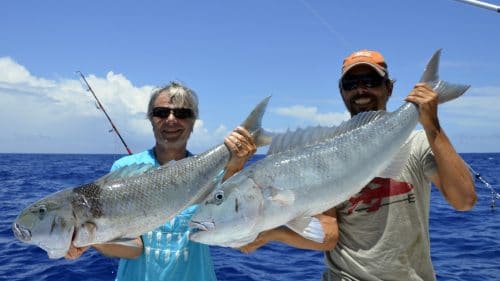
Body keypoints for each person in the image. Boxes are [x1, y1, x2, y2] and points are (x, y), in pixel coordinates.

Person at [239, 50, 477, 281]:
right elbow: (328, 234)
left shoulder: (418, 142)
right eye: (351, 84)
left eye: (370, 81)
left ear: (389, 87)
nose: (361, 90)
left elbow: (464, 200)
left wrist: (431, 124)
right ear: (342, 93)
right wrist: (270, 233)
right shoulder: (324, 154)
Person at [65, 81, 257, 281]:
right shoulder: (123, 170)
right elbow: (134, 249)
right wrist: (87, 239)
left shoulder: (218, 174)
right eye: (161, 112)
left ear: (194, 121)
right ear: (150, 118)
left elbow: (240, 236)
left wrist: (235, 167)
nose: (171, 120)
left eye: (182, 113)